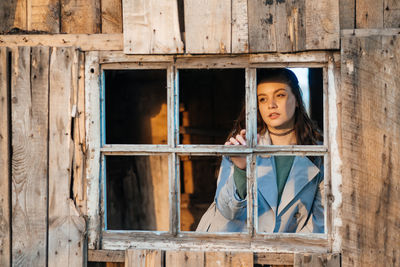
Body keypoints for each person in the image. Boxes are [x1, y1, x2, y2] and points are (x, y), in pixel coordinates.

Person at [196, 68, 324, 233]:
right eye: (263, 99)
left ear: (297, 99)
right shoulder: (241, 144)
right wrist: (241, 170)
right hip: (226, 245)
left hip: (283, 252)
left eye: (280, 95)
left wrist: (286, 253)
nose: (271, 105)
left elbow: (319, 222)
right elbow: (226, 211)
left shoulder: (318, 153)